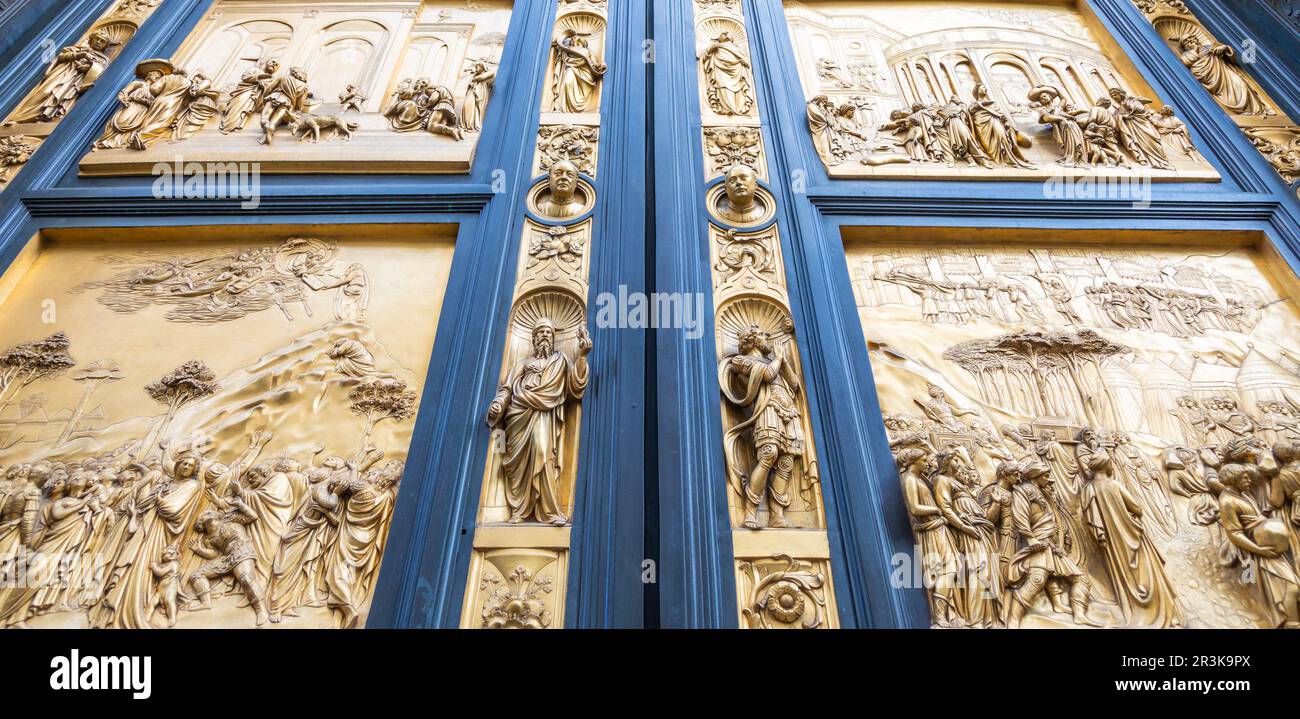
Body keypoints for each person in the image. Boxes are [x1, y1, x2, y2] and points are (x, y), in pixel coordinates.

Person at [486, 319, 591, 525]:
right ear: (534, 339)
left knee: (543, 451)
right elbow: (507, 388)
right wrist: (498, 403)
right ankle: (520, 510)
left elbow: (575, 386)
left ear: (553, 338)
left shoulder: (560, 361)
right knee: (517, 464)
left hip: (544, 414)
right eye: (540, 332)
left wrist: (582, 356)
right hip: (518, 413)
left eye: (548, 333)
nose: (544, 336)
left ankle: (549, 511)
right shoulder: (523, 364)